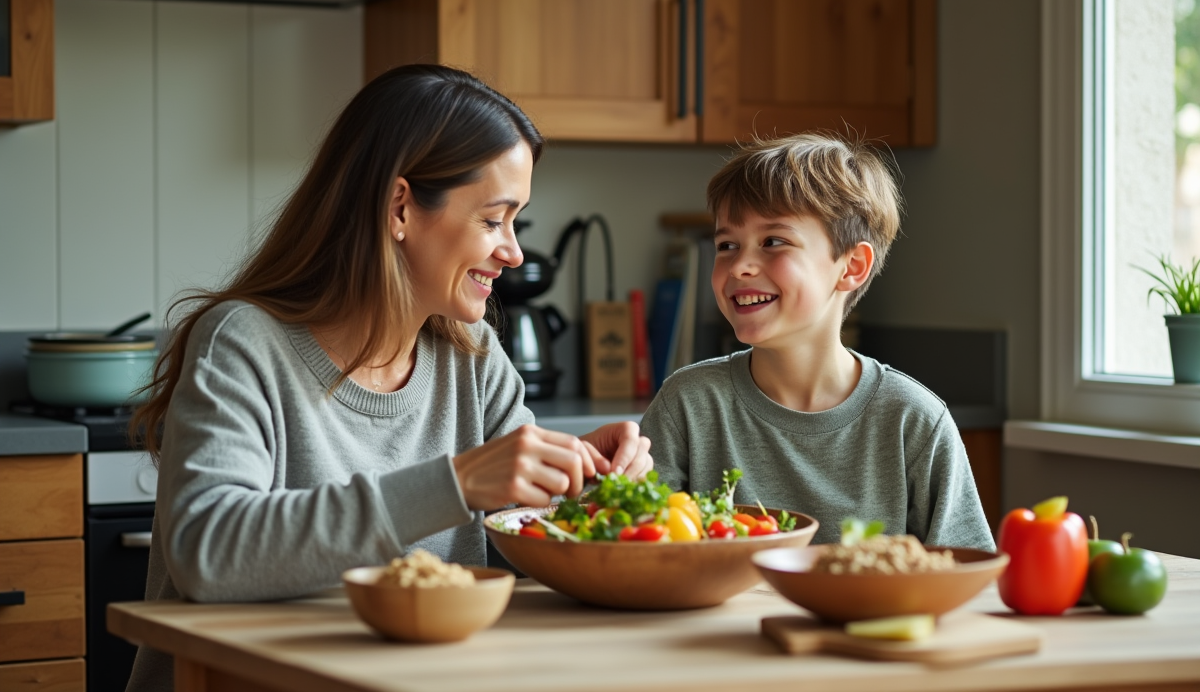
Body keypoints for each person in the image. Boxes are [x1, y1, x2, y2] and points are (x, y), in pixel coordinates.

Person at [124, 65, 651, 692]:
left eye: (516, 221)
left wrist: (586, 482)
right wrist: (457, 483)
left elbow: (535, 529)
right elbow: (208, 554)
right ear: (400, 206)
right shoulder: (244, 342)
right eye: (493, 220)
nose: (512, 250)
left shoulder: (472, 355)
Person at [638, 132, 994, 551]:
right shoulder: (688, 404)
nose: (741, 266)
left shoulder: (913, 421)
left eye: (773, 242)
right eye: (727, 245)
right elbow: (636, 551)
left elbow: (964, 574)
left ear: (852, 266)